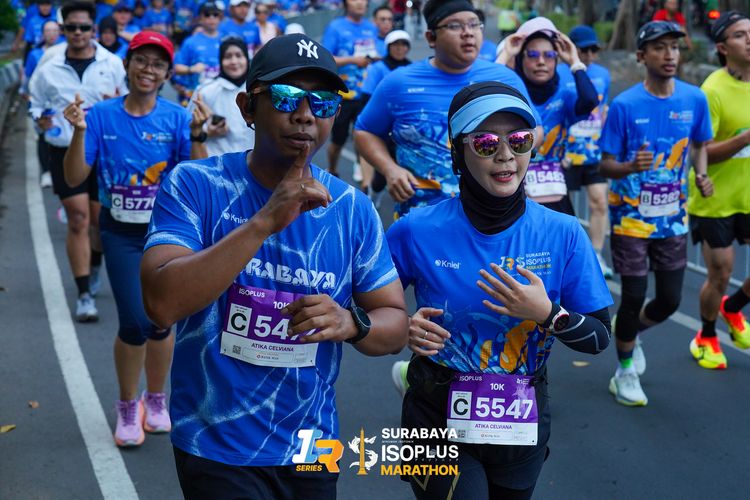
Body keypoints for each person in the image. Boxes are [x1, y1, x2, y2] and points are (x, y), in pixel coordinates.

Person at [140, 33, 408, 498]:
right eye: (286, 97)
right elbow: (161, 303)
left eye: (323, 102)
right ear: (248, 108)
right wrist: (264, 221)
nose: (305, 114)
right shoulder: (195, 184)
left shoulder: (352, 208)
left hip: (312, 445)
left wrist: (351, 322)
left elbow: (395, 324)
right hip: (216, 441)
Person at [387, 81, 612, 500]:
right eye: (486, 143)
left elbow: (599, 338)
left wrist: (549, 314)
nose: (506, 154)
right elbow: (364, 310)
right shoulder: (415, 230)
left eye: (519, 140)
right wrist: (402, 326)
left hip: (520, 420)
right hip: (435, 413)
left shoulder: (563, 231)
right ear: (458, 152)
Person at [61, 30, 208, 447]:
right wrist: (78, 131)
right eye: (141, 60)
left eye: (158, 64)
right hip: (120, 232)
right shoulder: (100, 115)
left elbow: (198, 180)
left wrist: (198, 135)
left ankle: (156, 399)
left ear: (167, 74)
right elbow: (74, 177)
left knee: (162, 319)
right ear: (126, 65)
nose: (148, 70)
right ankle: (128, 405)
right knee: (134, 321)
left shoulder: (177, 118)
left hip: (167, 232)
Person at [599, 21, 713, 406]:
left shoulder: (694, 98)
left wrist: (702, 175)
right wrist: (630, 167)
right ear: (641, 55)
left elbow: (699, 144)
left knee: (669, 300)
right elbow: (605, 165)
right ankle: (624, 371)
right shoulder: (625, 105)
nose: (669, 55)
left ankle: (630, 332)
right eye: (660, 48)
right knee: (633, 296)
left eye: (674, 48)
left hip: (672, 219)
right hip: (630, 219)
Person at [354, 0, 542, 219]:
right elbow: (364, 131)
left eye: (474, 24)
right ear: (431, 38)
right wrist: (390, 169)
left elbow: (536, 129)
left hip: (495, 219)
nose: (468, 33)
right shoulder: (398, 83)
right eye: (455, 26)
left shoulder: (505, 79)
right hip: (421, 218)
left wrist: (506, 155)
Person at [29, 0, 128, 322]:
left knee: (99, 220)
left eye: (84, 27)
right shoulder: (49, 65)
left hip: (103, 151)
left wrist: (118, 104)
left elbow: (127, 101)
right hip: (63, 148)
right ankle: (84, 293)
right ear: (63, 29)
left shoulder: (112, 63)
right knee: (78, 218)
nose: (78, 33)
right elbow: (35, 102)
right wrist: (40, 119)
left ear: (93, 29)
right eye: (71, 27)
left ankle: (94, 265)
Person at [688, 11, 750, 369]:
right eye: (740, 35)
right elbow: (702, 151)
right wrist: (745, 137)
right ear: (723, 48)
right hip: (715, 199)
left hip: (748, 196)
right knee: (721, 274)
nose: (749, 39)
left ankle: (733, 307)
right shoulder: (711, 90)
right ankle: (707, 336)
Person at [494, 17, 599, 216]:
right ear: (520, 59)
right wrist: (506, 54)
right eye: (532, 54)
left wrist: (574, 61)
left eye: (549, 55)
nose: (541, 61)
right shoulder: (509, 94)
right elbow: (483, 91)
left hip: (553, 196)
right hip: (511, 192)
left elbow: (590, 100)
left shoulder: (564, 96)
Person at [565, 24, 613, 278]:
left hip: (593, 153)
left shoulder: (603, 74)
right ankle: (568, 258)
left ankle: (596, 255)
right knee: (564, 213)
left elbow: (602, 109)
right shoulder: (559, 73)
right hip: (566, 155)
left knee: (599, 202)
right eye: (584, 50)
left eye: (594, 50)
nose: (590, 55)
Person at [321, 0, 379, 177]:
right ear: (346, 3)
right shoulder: (335, 27)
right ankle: (332, 169)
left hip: (366, 94)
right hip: (342, 95)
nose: (360, 3)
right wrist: (353, 60)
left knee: (364, 136)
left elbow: (377, 53)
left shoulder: (371, 28)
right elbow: (325, 57)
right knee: (338, 140)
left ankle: (362, 173)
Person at [360, 29, 411, 200]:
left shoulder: (412, 68)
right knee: (381, 175)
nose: (400, 48)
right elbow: (367, 96)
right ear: (388, 47)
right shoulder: (377, 68)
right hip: (382, 125)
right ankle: (374, 193)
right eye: (396, 45)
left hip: (403, 126)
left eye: (404, 44)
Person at [189, 37, 255, 157]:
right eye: (228, 56)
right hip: (217, 164)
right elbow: (187, 128)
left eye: (239, 55)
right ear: (220, 61)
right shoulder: (205, 90)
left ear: (247, 58)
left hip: (254, 163)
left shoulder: (257, 89)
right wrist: (207, 131)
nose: (234, 61)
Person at [23, 18, 62, 189]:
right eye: (48, 31)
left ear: (59, 33)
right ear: (43, 34)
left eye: (54, 30)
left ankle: (60, 170)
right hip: (41, 101)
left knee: (61, 135)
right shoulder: (34, 54)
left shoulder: (64, 52)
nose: (51, 34)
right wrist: (27, 95)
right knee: (43, 136)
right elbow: (28, 78)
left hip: (59, 102)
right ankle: (46, 171)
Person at [174, 1, 223, 105]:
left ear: (219, 17)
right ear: (200, 18)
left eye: (215, 14)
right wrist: (192, 69)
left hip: (220, 95)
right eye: (207, 14)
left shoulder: (226, 40)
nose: (212, 18)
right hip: (197, 97)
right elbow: (176, 68)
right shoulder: (190, 42)